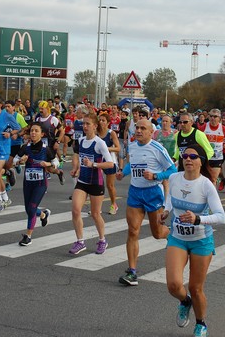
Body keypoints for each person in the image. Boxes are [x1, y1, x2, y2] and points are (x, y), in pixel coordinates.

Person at [161, 144, 225, 337]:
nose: (188, 159)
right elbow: (171, 197)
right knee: (173, 285)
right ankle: (185, 301)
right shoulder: (174, 178)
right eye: (185, 156)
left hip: (200, 240)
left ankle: (201, 323)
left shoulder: (206, 185)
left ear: (201, 161)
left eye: (193, 156)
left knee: (196, 288)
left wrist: (199, 219)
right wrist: (165, 210)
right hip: (178, 238)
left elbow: (221, 217)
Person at [116, 119, 177, 286]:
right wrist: (123, 172)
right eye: (137, 127)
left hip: (152, 194)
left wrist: (156, 176)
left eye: (143, 128)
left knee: (157, 234)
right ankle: (132, 272)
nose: (139, 130)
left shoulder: (157, 148)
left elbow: (173, 170)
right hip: (135, 193)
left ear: (151, 132)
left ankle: (171, 233)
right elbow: (131, 163)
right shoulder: (133, 146)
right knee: (132, 231)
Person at [68, 113, 114, 255]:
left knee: (95, 214)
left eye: (88, 124)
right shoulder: (81, 141)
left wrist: (93, 164)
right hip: (82, 181)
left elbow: (110, 164)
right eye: (83, 124)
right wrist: (76, 168)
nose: (85, 126)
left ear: (95, 126)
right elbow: (78, 157)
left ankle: (102, 240)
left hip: (96, 182)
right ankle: (80, 241)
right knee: (75, 210)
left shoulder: (100, 143)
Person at [13, 122, 54, 246]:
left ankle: (28, 236)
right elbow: (14, 160)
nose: (33, 133)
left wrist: (47, 164)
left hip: (40, 184)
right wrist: (20, 161)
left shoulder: (45, 149)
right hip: (28, 183)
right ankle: (43, 214)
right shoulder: (25, 148)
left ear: (42, 134)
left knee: (31, 209)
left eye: (36, 131)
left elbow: (57, 162)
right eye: (31, 131)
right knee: (29, 209)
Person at [98, 113, 121, 215]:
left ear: (108, 123)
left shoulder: (111, 133)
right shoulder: (96, 133)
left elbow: (118, 148)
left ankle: (113, 204)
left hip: (110, 161)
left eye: (103, 120)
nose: (101, 122)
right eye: (100, 120)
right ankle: (97, 207)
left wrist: (106, 149)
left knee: (110, 185)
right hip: (98, 160)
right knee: (97, 184)